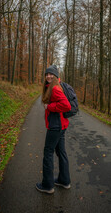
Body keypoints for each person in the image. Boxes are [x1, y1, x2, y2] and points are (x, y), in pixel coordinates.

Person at [36, 65, 71, 194]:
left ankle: (47, 185)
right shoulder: (55, 87)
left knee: (48, 153)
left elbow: (66, 105)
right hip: (61, 125)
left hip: (56, 126)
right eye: (47, 74)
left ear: (56, 76)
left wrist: (49, 107)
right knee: (61, 152)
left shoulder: (55, 88)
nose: (48, 76)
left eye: (51, 74)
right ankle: (64, 180)